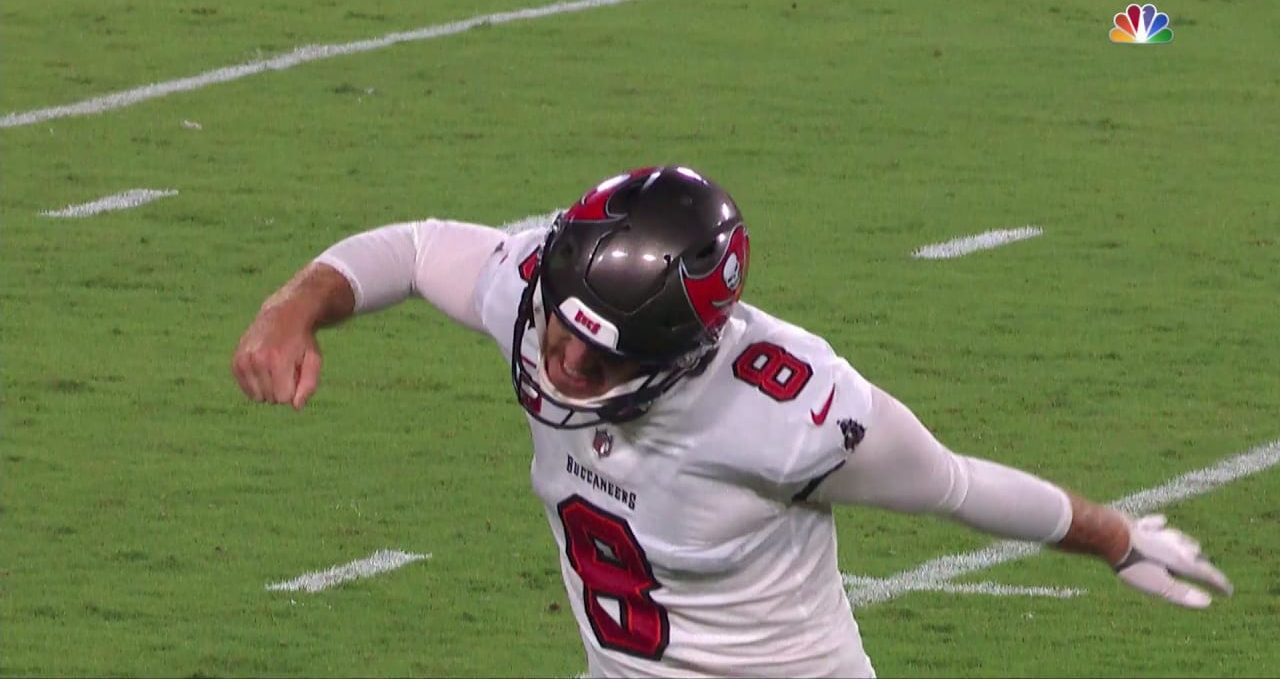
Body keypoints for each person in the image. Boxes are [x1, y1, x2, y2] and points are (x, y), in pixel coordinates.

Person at [232, 166, 1231, 677]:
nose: (565, 362)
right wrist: (293, 307)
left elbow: (958, 488)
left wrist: (1114, 537)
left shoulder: (786, 413)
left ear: (680, 350)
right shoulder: (540, 287)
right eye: (560, 331)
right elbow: (409, 250)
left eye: (605, 353)